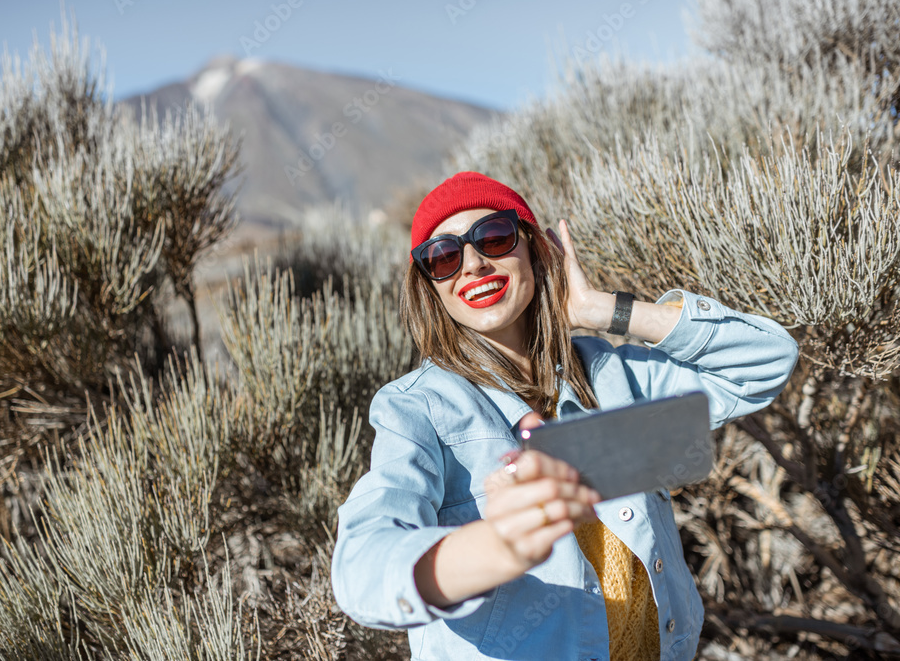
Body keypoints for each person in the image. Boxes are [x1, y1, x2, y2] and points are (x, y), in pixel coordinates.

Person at [331, 171, 798, 660]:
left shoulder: (611, 374)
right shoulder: (417, 409)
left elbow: (765, 360)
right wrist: (497, 547)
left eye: (493, 237)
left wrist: (604, 311)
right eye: (443, 257)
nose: (471, 264)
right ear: (431, 287)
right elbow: (364, 565)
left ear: (535, 250)